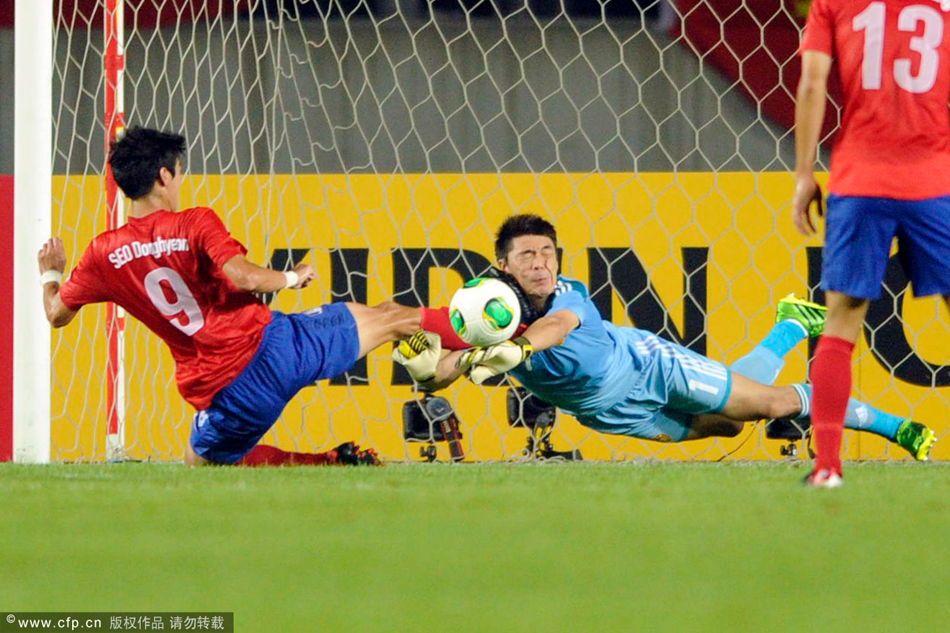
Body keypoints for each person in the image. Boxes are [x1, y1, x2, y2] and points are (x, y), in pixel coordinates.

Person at [395, 214, 937, 466]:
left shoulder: (568, 294)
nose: (541, 264)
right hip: (606, 411)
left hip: (645, 365)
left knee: (768, 404)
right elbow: (449, 368)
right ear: (503, 265)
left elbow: (555, 329)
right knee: (728, 424)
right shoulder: (484, 312)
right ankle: (791, 325)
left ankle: (899, 429)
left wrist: (517, 351)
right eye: (527, 256)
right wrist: (426, 368)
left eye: (547, 253)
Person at [38, 126, 422, 466]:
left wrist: (51, 273)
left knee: (200, 460)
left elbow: (56, 314)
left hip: (218, 389)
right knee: (391, 318)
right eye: (179, 174)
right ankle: (470, 335)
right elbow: (242, 277)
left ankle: (330, 462)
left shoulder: (103, 252)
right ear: (164, 175)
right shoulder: (194, 222)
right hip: (268, 350)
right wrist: (292, 276)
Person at [793, 0, 950, 486]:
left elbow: (813, 84)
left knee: (841, 321)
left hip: (861, 181)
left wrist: (803, 175)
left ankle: (828, 468)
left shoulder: (834, 2)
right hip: (934, 182)